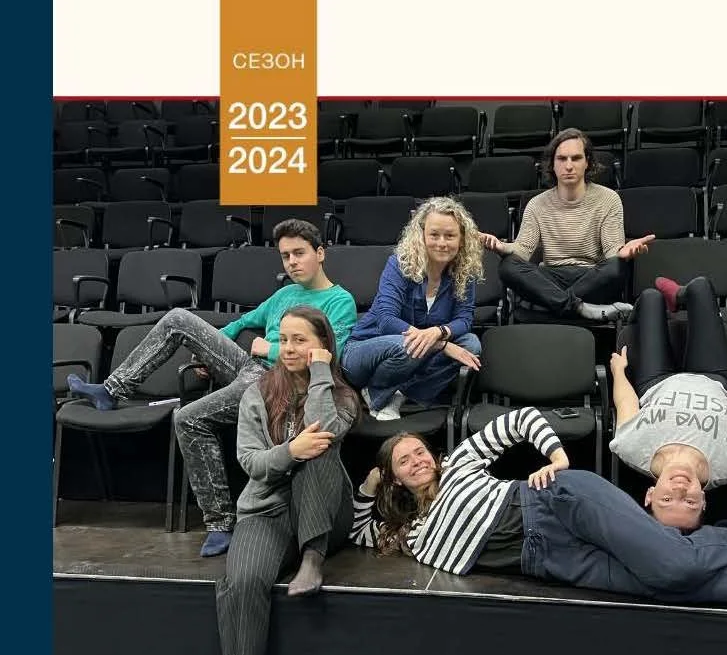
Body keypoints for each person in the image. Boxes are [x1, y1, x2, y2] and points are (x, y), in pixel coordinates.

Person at [350, 407, 727, 611]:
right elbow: (356, 529)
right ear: (395, 479)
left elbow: (516, 422)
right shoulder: (401, 528)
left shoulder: (460, 466)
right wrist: (370, 480)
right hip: (543, 563)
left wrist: (554, 456)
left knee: (675, 569)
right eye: (405, 460)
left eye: (419, 449)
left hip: (556, 506)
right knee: (680, 584)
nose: (419, 459)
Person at [66, 218, 358, 556]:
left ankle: (220, 523)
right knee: (178, 318)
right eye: (285, 256)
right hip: (248, 367)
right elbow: (242, 322)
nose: (292, 262)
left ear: (320, 253)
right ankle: (112, 389)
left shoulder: (340, 301)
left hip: (280, 380)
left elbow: (327, 355)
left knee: (187, 418)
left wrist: (270, 349)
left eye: (299, 253)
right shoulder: (284, 294)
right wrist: (209, 352)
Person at [214, 306, 360, 655]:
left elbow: (326, 430)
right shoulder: (257, 393)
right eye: (284, 338)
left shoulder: (343, 395)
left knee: (319, 448)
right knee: (242, 581)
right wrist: (289, 452)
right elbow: (251, 463)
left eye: (300, 340)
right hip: (267, 510)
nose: (289, 348)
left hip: (323, 515)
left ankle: (312, 560)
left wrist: (320, 373)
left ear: (320, 345)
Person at [607, 275, 727, 532]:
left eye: (666, 499)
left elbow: (625, 403)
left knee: (651, 299)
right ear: (703, 501)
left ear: (650, 495)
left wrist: (619, 372)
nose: (679, 488)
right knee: (701, 287)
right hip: (714, 380)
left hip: (655, 382)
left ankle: (638, 316)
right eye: (689, 501)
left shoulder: (631, 448)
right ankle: (678, 296)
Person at [478, 127, 654, 322]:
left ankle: (551, 304)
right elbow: (523, 250)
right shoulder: (537, 204)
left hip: (591, 277)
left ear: (587, 162)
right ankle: (580, 307)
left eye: (576, 158)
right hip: (550, 277)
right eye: (562, 159)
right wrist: (503, 247)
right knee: (508, 265)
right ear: (552, 164)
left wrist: (622, 253)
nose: (569, 166)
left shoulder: (608, 199)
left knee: (616, 267)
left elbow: (612, 252)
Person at [342, 196, 484, 421]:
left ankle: (397, 394)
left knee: (471, 345)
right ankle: (376, 391)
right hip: (364, 350)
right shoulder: (400, 264)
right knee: (409, 345)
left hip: (411, 354)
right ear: (421, 235)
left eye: (450, 235)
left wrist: (439, 332)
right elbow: (386, 319)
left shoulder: (464, 272)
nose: (442, 243)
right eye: (434, 234)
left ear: (462, 239)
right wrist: (441, 345)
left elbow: (464, 319)